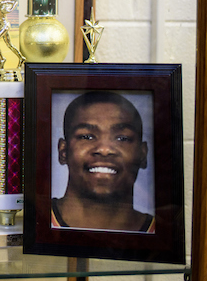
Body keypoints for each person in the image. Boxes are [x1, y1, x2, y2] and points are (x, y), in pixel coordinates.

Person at [53, 91, 154, 233]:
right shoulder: (39, 223)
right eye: (87, 136)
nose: (104, 149)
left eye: (122, 138)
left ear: (143, 155)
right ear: (63, 151)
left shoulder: (163, 233)